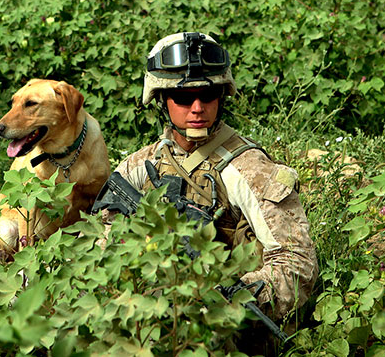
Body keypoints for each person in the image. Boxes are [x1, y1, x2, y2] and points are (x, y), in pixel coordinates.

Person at [109, 32, 318, 353]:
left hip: (229, 332)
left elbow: (297, 262)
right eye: (184, 97)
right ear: (162, 99)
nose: (197, 108)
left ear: (221, 97)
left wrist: (235, 297)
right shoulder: (139, 166)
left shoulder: (248, 168)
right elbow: (101, 236)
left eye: (207, 95)